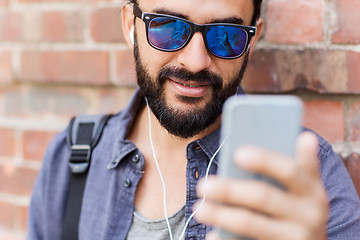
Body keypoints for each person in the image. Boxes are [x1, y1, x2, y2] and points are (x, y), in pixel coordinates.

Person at [27, 0, 360, 239]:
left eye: (225, 35)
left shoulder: (308, 175)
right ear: (131, 25)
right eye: (169, 27)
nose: (196, 61)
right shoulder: (72, 160)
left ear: (252, 39)